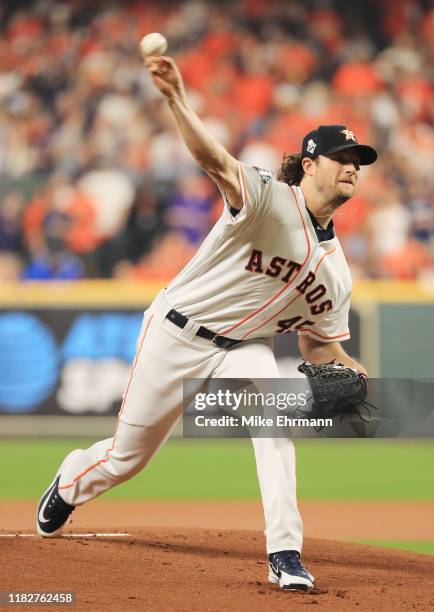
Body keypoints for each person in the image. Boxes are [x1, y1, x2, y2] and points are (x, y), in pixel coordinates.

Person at [36, 56, 377, 591]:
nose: (352, 166)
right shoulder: (267, 197)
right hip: (177, 329)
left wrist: (356, 374)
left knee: (273, 424)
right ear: (310, 164)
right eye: (341, 157)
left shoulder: (338, 274)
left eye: (358, 159)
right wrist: (176, 98)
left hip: (243, 347)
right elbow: (212, 158)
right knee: (127, 458)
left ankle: (284, 553)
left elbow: (320, 348)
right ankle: (73, 480)